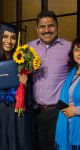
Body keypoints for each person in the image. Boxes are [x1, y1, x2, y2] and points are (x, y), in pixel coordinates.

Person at [0, 23, 35, 150]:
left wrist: (26, 84)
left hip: (17, 111)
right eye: (5, 36)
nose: (9, 41)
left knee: (19, 141)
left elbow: (30, 93)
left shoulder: (22, 61)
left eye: (13, 37)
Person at [27, 10, 72, 150]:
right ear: (37, 29)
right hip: (34, 112)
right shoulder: (28, 48)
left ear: (57, 27)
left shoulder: (69, 48)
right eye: (42, 26)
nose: (47, 30)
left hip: (58, 113)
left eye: (51, 26)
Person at [55, 37, 80, 150]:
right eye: (76, 50)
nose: (79, 53)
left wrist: (75, 110)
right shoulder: (72, 73)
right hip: (67, 126)